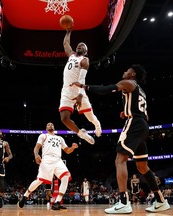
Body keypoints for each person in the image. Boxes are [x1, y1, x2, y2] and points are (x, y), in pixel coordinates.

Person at [70, 64, 170, 213]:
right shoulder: (141, 91)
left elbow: (106, 89)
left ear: (133, 74)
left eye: (127, 70)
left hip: (135, 123)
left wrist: (84, 86)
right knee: (142, 167)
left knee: (120, 159)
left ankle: (124, 201)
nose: (124, 71)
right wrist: (127, 112)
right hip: (143, 125)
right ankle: (161, 200)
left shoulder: (128, 83)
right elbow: (145, 114)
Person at [17, 122, 78, 211]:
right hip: (47, 159)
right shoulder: (43, 136)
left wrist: (72, 148)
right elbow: (37, 147)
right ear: (46, 129)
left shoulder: (59, 138)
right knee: (39, 181)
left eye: (52, 124)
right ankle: (25, 196)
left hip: (58, 160)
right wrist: (36, 155)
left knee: (66, 176)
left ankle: (57, 202)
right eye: (48, 125)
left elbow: (67, 151)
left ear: (54, 127)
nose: (50, 125)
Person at [59, 29, 102, 145]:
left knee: (90, 118)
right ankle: (82, 134)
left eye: (82, 46)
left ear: (86, 51)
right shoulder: (71, 55)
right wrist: (68, 31)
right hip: (66, 91)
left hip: (78, 91)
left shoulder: (85, 60)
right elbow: (65, 44)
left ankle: (97, 125)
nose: (79, 46)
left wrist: (79, 95)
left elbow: (82, 81)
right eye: (78, 45)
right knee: (64, 118)